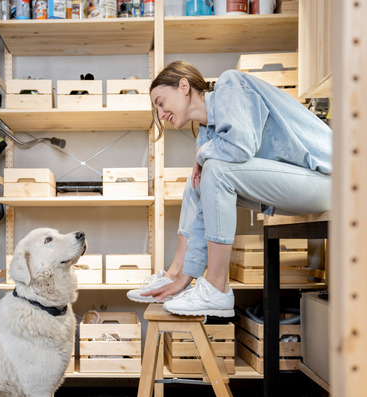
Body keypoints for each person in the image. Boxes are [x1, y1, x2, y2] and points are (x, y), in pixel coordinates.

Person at [126, 60, 332, 317]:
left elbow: (240, 146)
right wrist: (186, 276)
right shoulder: (208, 134)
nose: (161, 114)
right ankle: (176, 274)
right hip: (299, 188)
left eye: (160, 102)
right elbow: (202, 212)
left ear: (183, 86)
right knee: (196, 183)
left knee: (214, 169)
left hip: (330, 179)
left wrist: (202, 154)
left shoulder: (229, 84)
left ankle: (217, 286)